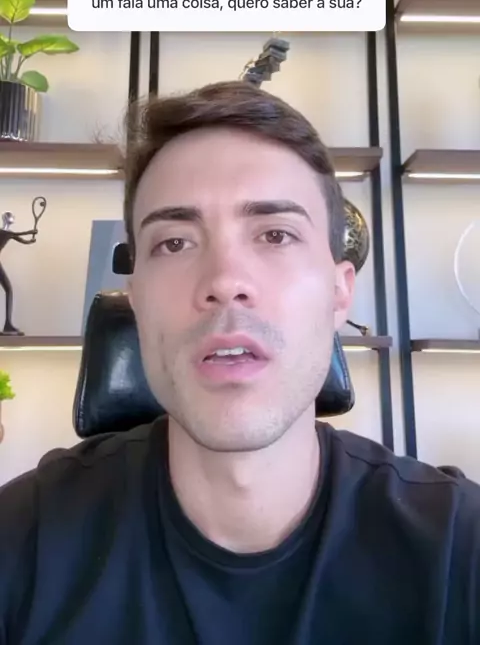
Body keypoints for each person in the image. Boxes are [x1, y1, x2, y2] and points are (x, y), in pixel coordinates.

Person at [0, 81, 478, 644]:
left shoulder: (458, 549)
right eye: (174, 243)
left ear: (339, 292)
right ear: (136, 298)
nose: (225, 281)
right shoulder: (21, 541)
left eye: (275, 234)